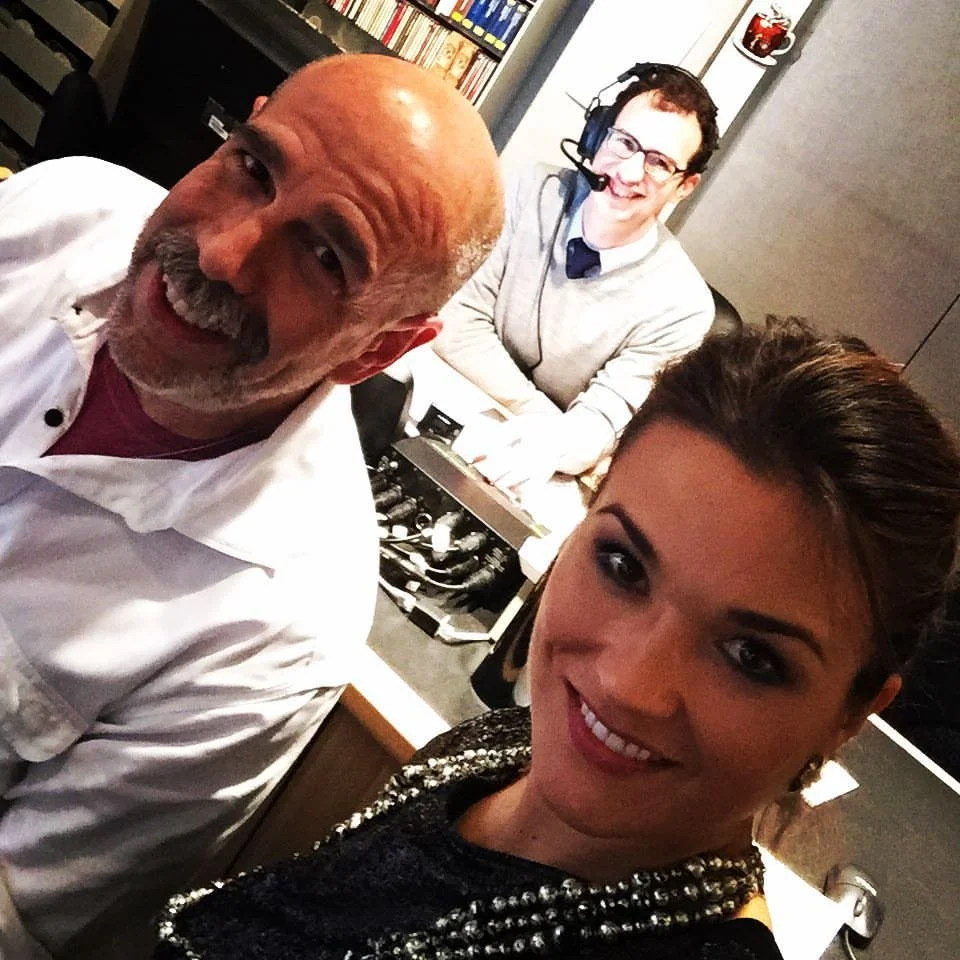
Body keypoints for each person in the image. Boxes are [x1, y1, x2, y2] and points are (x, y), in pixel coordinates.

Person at [153, 317, 960, 959]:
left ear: (850, 714)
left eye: (752, 657)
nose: (628, 685)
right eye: (622, 564)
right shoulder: (505, 750)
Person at [0, 53, 503, 958]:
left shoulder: (277, 626)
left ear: (380, 348)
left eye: (322, 255)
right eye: (255, 167)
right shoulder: (58, 209)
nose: (226, 252)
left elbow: (20, 919)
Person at [433, 62, 719, 495]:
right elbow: (453, 324)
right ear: (597, 134)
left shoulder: (684, 308)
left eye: (659, 162)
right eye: (624, 143)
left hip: (535, 471)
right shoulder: (524, 187)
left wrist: (559, 439)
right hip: (461, 403)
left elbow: (597, 428)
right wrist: (543, 420)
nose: (628, 173)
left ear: (684, 186)